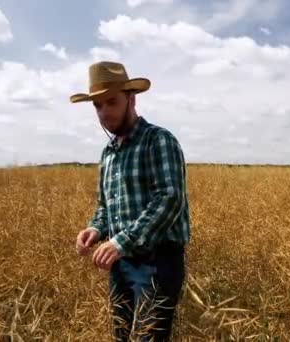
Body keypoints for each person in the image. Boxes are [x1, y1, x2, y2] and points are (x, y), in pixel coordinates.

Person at [71, 61, 190, 341]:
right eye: (98, 106)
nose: (104, 112)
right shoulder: (108, 152)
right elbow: (105, 205)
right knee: (121, 337)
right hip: (120, 264)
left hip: (157, 262)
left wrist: (120, 242)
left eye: (111, 102)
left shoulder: (158, 140)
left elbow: (169, 198)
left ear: (131, 99)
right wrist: (95, 229)